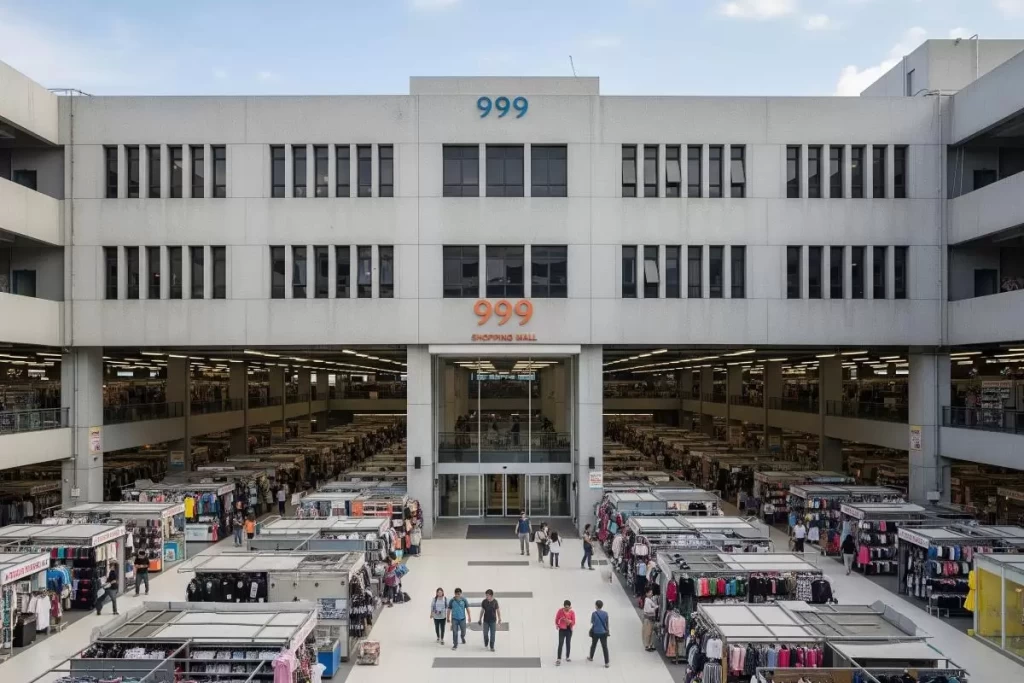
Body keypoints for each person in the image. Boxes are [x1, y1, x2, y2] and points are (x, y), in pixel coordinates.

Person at [587, 599, 610, 668]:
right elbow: (607, 623)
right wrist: (607, 630)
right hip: (603, 632)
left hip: (596, 632)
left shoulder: (594, 614)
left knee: (593, 645)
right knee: (605, 647)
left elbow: (593, 622)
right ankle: (606, 663)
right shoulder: (606, 613)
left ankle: (591, 657)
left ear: (596, 606)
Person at [555, 599, 576, 666]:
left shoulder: (572, 612)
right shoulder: (560, 611)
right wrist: (557, 625)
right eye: (565, 607)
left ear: (570, 607)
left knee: (568, 643)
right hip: (562, 629)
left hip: (569, 629)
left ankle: (567, 656)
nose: (567, 608)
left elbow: (574, 621)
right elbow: (557, 618)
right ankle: (558, 659)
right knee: (560, 643)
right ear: (564, 606)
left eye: (568, 607)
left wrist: (570, 622)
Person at [641, 587, 659, 651]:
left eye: (651, 592)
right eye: (650, 592)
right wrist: (655, 608)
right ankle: (647, 645)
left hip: (651, 619)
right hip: (648, 619)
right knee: (648, 633)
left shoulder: (649, 600)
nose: (652, 593)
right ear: (647, 593)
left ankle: (650, 644)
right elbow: (649, 610)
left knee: (651, 632)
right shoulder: (647, 601)